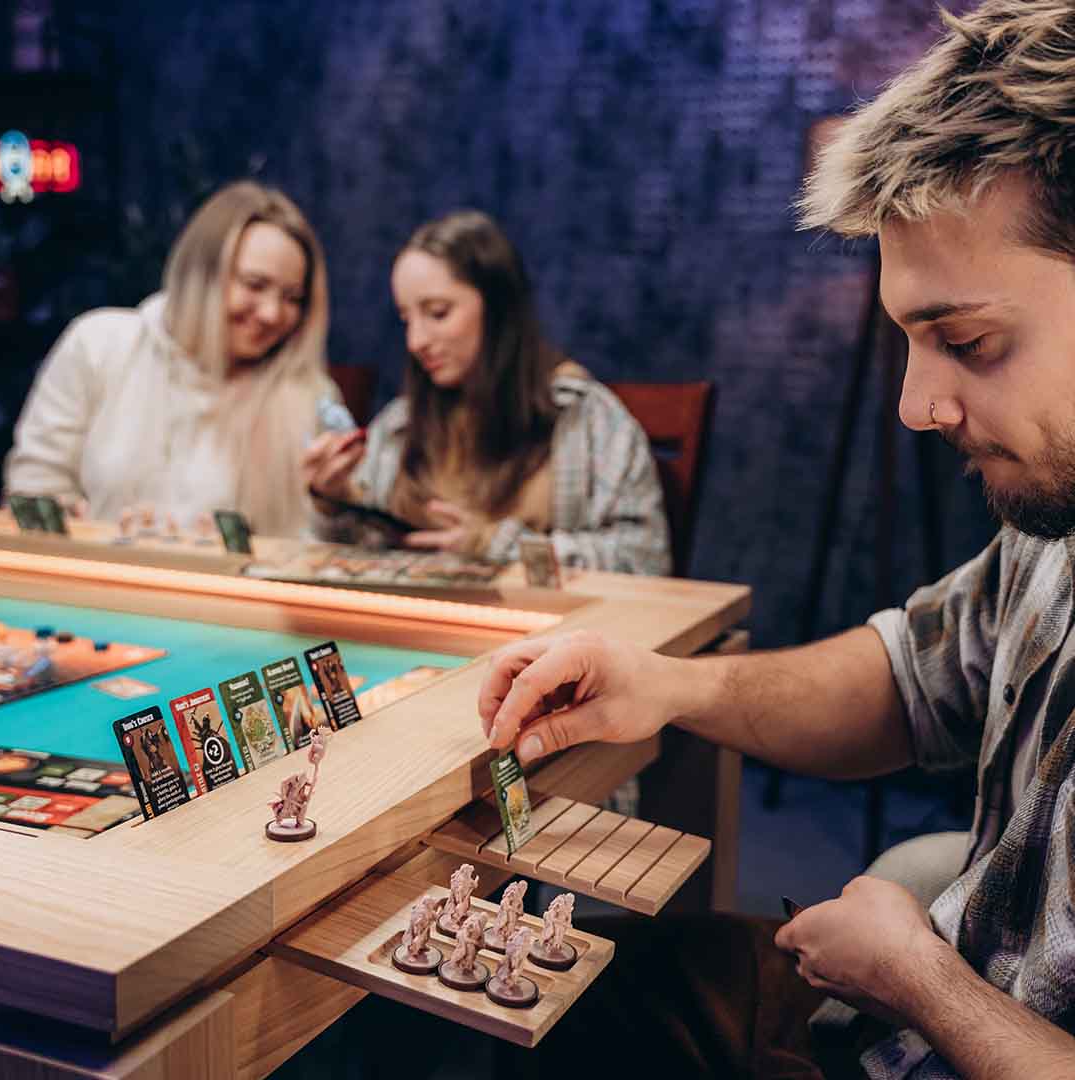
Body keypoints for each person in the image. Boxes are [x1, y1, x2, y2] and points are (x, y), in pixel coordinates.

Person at [478, 1, 1075, 1076]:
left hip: (934, 1019)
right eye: (909, 341)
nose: (915, 404)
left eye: (968, 340)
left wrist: (919, 980)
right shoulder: (1054, 526)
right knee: (580, 998)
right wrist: (671, 687)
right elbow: (910, 678)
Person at [303, 209, 670, 574]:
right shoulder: (402, 423)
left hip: (551, 625)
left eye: (438, 313)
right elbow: (357, 564)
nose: (416, 341)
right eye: (406, 319)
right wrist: (333, 503)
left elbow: (645, 559)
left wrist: (493, 545)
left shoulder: (585, 421)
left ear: (497, 307)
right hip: (419, 624)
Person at [4, 181, 352, 537]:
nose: (272, 313)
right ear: (200, 274)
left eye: (293, 298)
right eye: (254, 285)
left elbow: (321, 550)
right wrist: (88, 530)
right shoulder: (98, 344)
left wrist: (331, 503)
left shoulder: (311, 397)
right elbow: (35, 483)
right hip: (93, 585)